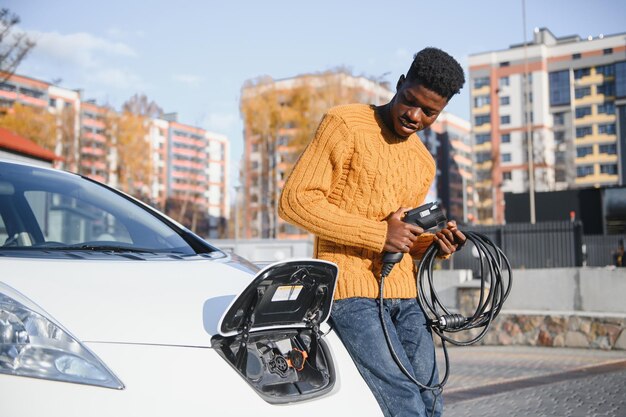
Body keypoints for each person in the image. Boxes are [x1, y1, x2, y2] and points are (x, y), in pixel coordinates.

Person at [278, 47, 466, 417]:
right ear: (399, 85)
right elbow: (295, 201)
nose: (415, 116)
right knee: (403, 398)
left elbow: (404, 236)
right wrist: (378, 234)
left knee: (430, 395)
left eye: (429, 112)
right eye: (409, 101)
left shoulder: (423, 162)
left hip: (404, 295)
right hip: (350, 293)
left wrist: (436, 244)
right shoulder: (344, 123)